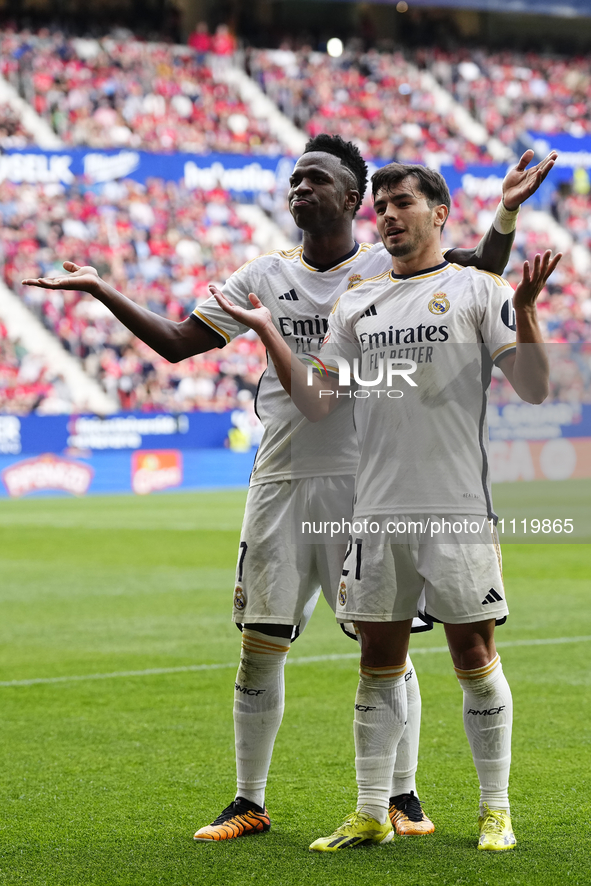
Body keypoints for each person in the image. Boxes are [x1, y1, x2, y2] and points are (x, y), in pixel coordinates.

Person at [22, 137, 556, 843]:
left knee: (385, 645)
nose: (299, 187)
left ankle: (402, 795)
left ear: (351, 199)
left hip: (368, 482)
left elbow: (475, 282)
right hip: (280, 475)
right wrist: (100, 288)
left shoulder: (381, 265)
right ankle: (252, 799)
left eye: (316, 178)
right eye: (294, 178)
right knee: (265, 637)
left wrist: (505, 220)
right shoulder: (263, 274)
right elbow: (183, 342)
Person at [210, 160, 560, 852]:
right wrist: (268, 334)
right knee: (378, 659)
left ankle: (496, 810)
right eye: (382, 209)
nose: (389, 217)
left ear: (438, 213)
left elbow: (534, 389)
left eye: (403, 204)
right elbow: (316, 403)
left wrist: (523, 312)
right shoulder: (355, 304)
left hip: (455, 506)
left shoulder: (476, 289)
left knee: (473, 652)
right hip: (373, 512)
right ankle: (371, 811)